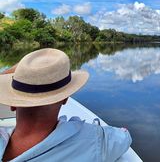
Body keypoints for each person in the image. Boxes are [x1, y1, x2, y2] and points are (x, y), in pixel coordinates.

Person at [0, 48, 132, 161]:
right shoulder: (96, 142)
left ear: (12, 104)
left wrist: (23, 72)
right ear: (65, 99)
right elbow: (124, 137)